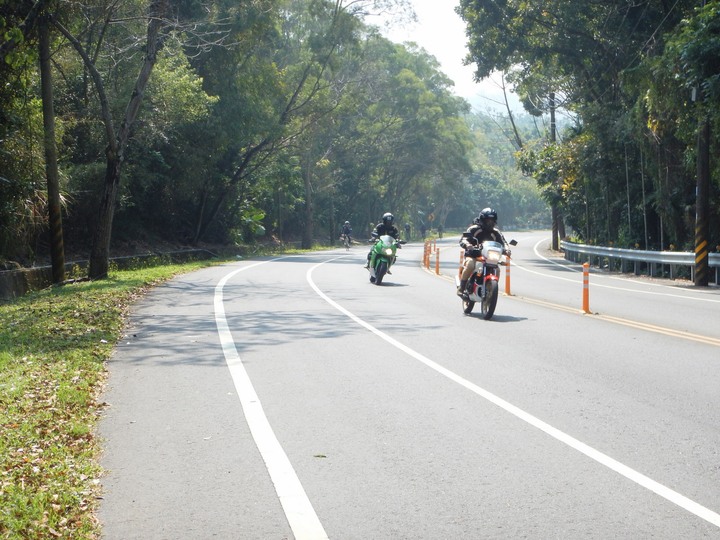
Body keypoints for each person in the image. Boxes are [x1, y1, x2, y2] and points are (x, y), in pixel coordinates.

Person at [457, 208, 511, 296]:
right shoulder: (473, 229)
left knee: (496, 269)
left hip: (488, 257)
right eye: (487, 220)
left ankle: (491, 289)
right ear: (482, 220)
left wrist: (507, 250)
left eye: (492, 220)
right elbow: (464, 239)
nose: (490, 223)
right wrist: (468, 245)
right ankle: (462, 287)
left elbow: (503, 242)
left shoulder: (496, 232)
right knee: (470, 265)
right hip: (473, 255)